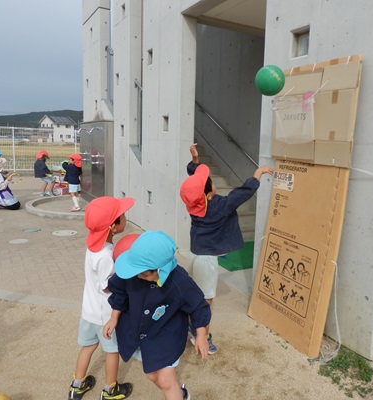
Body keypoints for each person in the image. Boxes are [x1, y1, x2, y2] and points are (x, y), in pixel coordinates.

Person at [179, 143, 273, 354]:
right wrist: (257, 174)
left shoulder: (194, 205)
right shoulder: (218, 207)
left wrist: (195, 161)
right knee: (205, 301)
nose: (212, 183)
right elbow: (240, 194)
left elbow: (195, 185)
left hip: (195, 255)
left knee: (195, 294)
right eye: (210, 183)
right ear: (209, 194)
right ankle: (200, 335)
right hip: (206, 260)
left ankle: (191, 326)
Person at [104, 230, 211, 400]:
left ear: (161, 270)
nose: (138, 276)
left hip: (166, 336)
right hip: (141, 335)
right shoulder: (134, 271)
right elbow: (120, 293)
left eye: (144, 274)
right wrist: (114, 317)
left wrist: (201, 334)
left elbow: (198, 306)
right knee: (152, 375)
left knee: (166, 381)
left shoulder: (179, 281)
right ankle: (178, 392)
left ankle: (178, 395)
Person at [68, 196, 135, 400]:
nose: (125, 218)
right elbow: (107, 288)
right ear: (113, 226)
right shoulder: (107, 255)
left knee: (87, 347)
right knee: (112, 351)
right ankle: (110, 389)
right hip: (104, 315)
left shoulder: (92, 247)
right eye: (122, 216)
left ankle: (77, 386)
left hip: (88, 310)